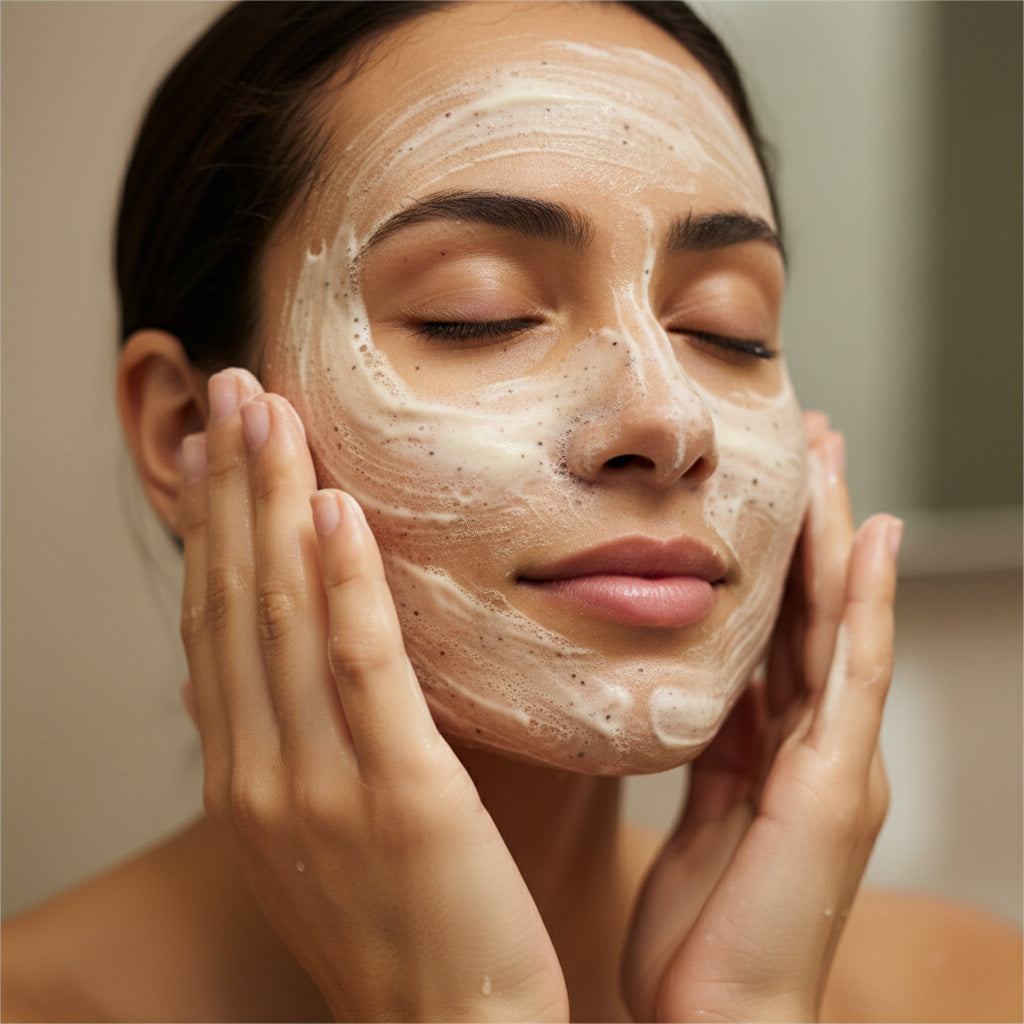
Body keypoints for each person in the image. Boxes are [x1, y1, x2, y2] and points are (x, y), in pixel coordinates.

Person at [2, 2, 1020, 1021]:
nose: (668, 418)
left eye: (728, 328)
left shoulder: (974, 990)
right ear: (187, 429)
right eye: (474, 312)